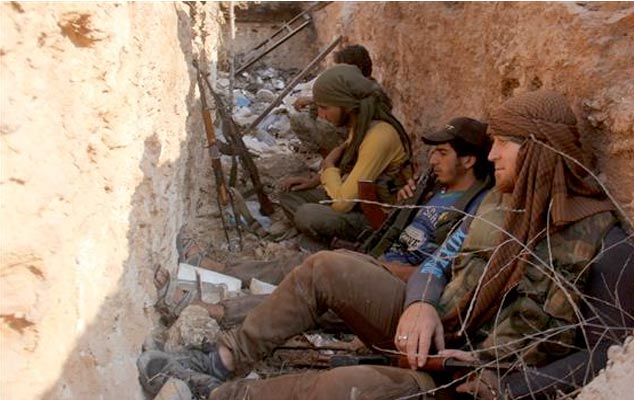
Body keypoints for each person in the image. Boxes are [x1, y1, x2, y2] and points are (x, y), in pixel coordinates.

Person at [140, 90, 634, 400]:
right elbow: (440, 262)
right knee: (325, 267)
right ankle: (222, 360)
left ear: (536, 151)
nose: (492, 155)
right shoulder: (501, 206)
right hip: (430, 329)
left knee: (345, 388)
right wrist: (422, 303)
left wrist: (508, 388)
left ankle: (219, 394)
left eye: (502, 144)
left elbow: (606, 351)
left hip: (467, 377)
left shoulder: (608, 243)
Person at [157, 117, 493, 328]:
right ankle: (214, 268)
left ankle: (216, 311)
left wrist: (374, 267)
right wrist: (403, 206)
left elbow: (441, 270)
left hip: (403, 288)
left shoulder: (474, 208)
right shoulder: (435, 188)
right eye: (433, 152)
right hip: (383, 263)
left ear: (468, 159)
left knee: (317, 289)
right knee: (304, 262)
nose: (432, 159)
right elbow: (396, 230)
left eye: (443, 153)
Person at [279, 64, 414, 250]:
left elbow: (342, 204)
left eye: (325, 108)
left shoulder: (380, 135)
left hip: (378, 216)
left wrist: (328, 167)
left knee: (307, 215)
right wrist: (313, 182)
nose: (321, 115)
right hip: (354, 199)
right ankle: (327, 238)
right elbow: (347, 167)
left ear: (346, 105)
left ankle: (349, 246)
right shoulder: (358, 124)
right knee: (289, 195)